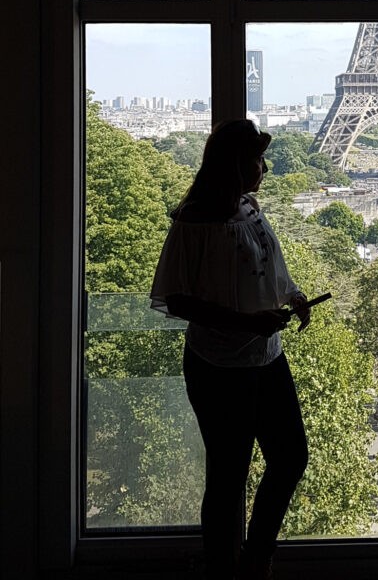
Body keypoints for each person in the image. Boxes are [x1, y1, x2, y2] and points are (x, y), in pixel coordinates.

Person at [150, 120, 311, 580]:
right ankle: (229, 569)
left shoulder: (249, 208)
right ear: (233, 164)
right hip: (220, 367)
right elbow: (176, 299)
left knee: (288, 457)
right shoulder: (194, 219)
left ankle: (255, 558)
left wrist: (293, 296)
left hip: (266, 356)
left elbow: (269, 270)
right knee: (228, 477)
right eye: (255, 159)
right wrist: (247, 323)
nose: (263, 167)